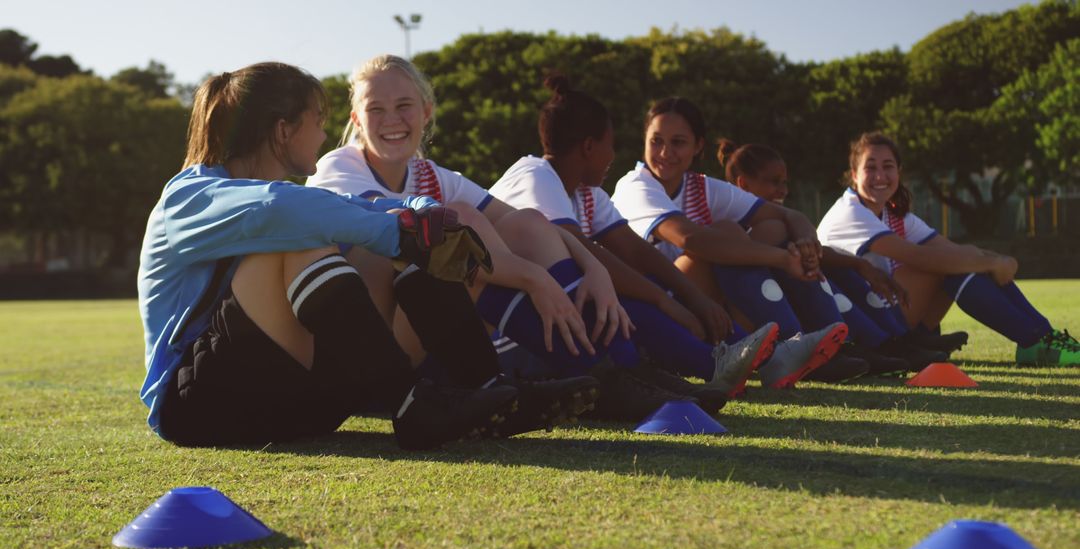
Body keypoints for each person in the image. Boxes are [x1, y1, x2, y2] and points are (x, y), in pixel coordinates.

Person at [137, 62, 567, 452]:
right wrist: (397, 234)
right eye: (319, 121)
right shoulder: (187, 197)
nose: (325, 135)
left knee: (382, 248)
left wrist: (416, 216)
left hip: (296, 401)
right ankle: (412, 402)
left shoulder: (287, 197)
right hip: (195, 405)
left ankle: (488, 388)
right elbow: (276, 208)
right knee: (302, 241)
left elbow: (353, 211)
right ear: (284, 130)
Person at [307, 55, 629, 385]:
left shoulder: (431, 175)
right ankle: (590, 368)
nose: (391, 119)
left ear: (426, 111)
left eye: (404, 105)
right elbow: (403, 224)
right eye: (375, 109)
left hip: (422, 344)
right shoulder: (337, 167)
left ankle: (617, 364)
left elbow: (531, 225)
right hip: (362, 355)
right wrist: (534, 277)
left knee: (527, 223)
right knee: (452, 223)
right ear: (357, 121)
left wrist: (594, 266)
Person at [489, 76, 779, 401]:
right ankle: (712, 365)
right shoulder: (534, 175)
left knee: (627, 291)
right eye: (610, 144)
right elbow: (581, 253)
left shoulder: (587, 193)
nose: (613, 154)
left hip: (555, 324)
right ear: (588, 147)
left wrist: (691, 299)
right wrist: (664, 302)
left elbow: (634, 250)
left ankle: (737, 355)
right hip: (510, 337)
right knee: (617, 298)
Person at [611, 97, 857, 388]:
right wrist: (781, 260)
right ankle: (788, 345)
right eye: (656, 141)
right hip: (651, 309)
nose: (665, 152)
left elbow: (787, 214)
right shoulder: (635, 185)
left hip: (690, 299)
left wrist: (806, 241)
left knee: (771, 228)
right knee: (724, 237)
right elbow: (692, 239)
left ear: (698, 146)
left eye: (678, 142)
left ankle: (811, 343)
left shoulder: (699, 186)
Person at [817, 131, 1079, 367]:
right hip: (856, 325)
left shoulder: (895, 215)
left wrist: (995, 259)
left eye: (888, 167)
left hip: (885, 313)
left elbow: (954, 250)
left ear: (899, 172)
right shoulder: (850, 212)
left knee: (959, 262)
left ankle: (1041, 337)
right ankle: (1035, 341)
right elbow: (922, 258)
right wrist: (991, 262)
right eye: (870, 168)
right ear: (854, 175)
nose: (880, 176)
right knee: (948, 267)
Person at [715, 139, 949, 377]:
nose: (784, 190)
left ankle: (886, 342)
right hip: (736, 320)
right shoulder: (730, 219)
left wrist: (858, 264)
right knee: (808, 258)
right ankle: (820, 349)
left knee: (838, 265)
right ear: (743, 184)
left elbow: (800, 227)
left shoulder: (771, 218)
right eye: (774, 182)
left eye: (785, 183)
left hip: (777, 310)